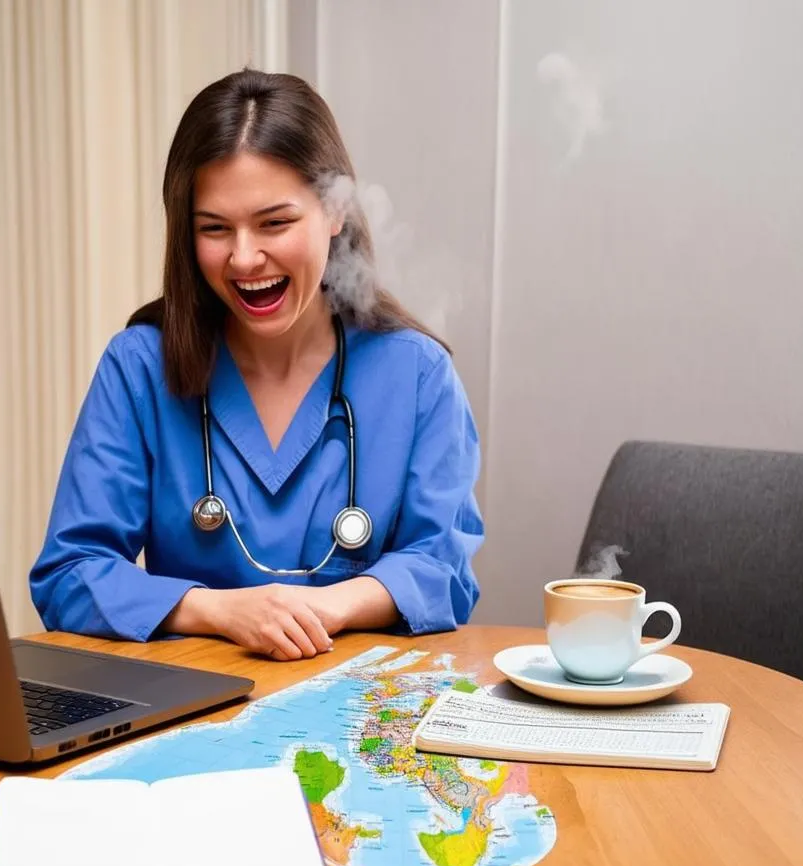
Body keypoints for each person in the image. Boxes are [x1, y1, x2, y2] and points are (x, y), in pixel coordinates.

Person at [30, 68, 484, 661]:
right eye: (215, 229)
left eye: (275, 223)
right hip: (195, 711)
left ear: (336, 210)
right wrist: (221, 611)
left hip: (359, 711)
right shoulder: (139, 366)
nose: (245, 259)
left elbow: (443, 570)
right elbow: (71, 574)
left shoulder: (418, 376)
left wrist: (321, 608)